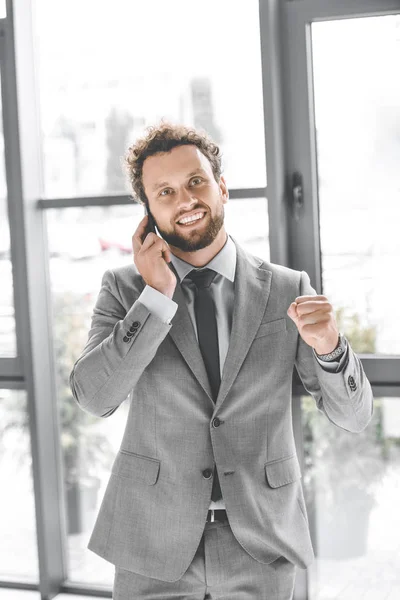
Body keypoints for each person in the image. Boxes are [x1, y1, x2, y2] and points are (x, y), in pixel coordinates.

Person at [69, 121, 373, 600]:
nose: (185, 200)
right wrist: (155, 298)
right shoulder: (124, 289)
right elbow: (94, 397)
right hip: (152, 539)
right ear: (147, 212)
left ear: (221, 188)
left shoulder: (287, 288)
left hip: (260, 541)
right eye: (164, 191)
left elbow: (353, 416)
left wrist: (329, 346)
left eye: (195, 181)